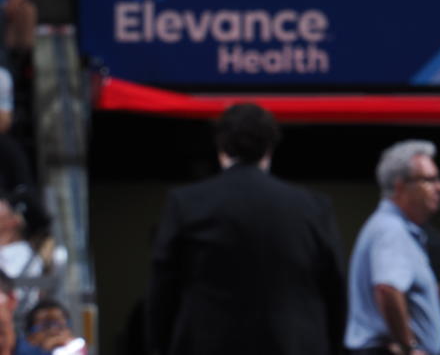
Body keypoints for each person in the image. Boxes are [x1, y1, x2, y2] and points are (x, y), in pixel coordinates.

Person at [146, 103, 345, 355]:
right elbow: (334, 286)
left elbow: (163, 288)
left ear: (221, 146)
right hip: (294, 344)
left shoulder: (186, 203)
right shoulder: (313, 207)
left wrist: (157, 347)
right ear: (270, 148)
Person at [345, 140, 440, 355]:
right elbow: (387, 288)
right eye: (430, 179)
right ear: (401, 186)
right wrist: (411, 347)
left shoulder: (396, 228)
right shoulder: (391, 229)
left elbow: (396, 288)